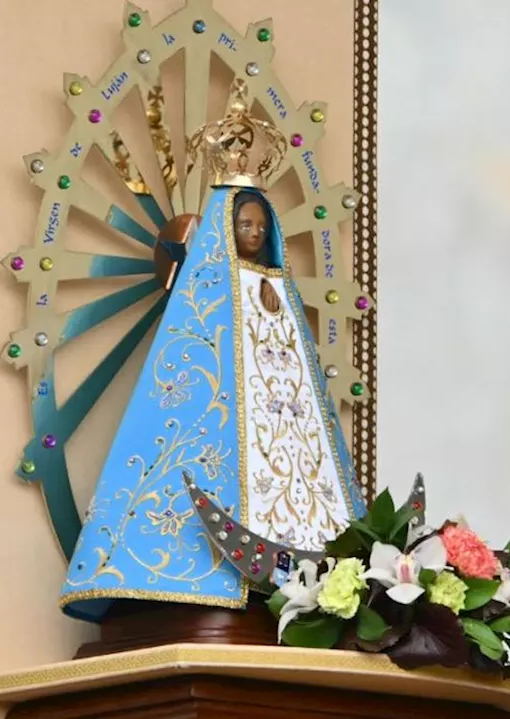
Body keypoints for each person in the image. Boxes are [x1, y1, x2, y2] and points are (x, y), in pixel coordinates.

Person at [60, 180, 366, 622]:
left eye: (262, 226)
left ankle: (301, 579)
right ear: (225, 228)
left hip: (281, 424)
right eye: (245, 224)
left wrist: (270, 302)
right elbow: (189, 372)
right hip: (224, 429)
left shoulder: (279, 291)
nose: (255, 234)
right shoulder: (203, 290)